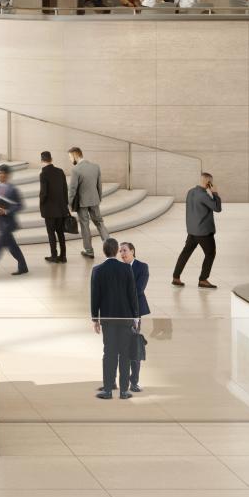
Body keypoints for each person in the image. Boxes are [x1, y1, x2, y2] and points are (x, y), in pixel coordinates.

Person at [91, 238, 142, 399]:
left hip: (107, 318)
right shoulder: (126, 268)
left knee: (109, 352)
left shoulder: (97, 270)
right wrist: (136, 317)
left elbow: (95, 296)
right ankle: (124, 391)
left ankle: (107, 390)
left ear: (104, 251)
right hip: (125, 317)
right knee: (125, 354)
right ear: (116, 251)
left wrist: (95, 318)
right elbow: (132, 294)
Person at [171, 171, 222, 287]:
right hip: (204, 232)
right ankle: (203, 279)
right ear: (209, 183)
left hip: (192, 230)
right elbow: (217, 208)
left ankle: (176, 277)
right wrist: (215, 193)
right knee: (210, 254)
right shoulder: (204, 195)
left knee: (185, 253)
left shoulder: (190, 192)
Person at [119, 241, 151, 392]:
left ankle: (134, 382)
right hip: (120, 314)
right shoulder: (119, 268)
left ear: (132, 251)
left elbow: (139, 289)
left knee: (134, 348)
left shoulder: (142, 267)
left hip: (134, 314)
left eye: (125, 250)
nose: (122, 254)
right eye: (120, 251)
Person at [67, 147, 108, 257]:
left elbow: (72, 189)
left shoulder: (76, 170)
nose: (70, 160)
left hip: (82, 203)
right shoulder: (95, 167)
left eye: (70, 157)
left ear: (75, 156)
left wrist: (69, 204)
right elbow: (99, 185)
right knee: (99, 222)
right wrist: (99, 198)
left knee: (85, 226)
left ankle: (89, 251)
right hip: (94, 200)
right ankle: (109, 246)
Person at [37, 150, 70, 262]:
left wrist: (41, 204)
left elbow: (44, 193)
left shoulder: (43, 174)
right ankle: (63, 256)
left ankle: (54, 256)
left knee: (51, 233)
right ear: (51, 159)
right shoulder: (60, 171)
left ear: (42, 160)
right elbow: (65, 190)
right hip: (61, 209)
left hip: (49, 210)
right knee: (60, 233)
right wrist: (65, 205)